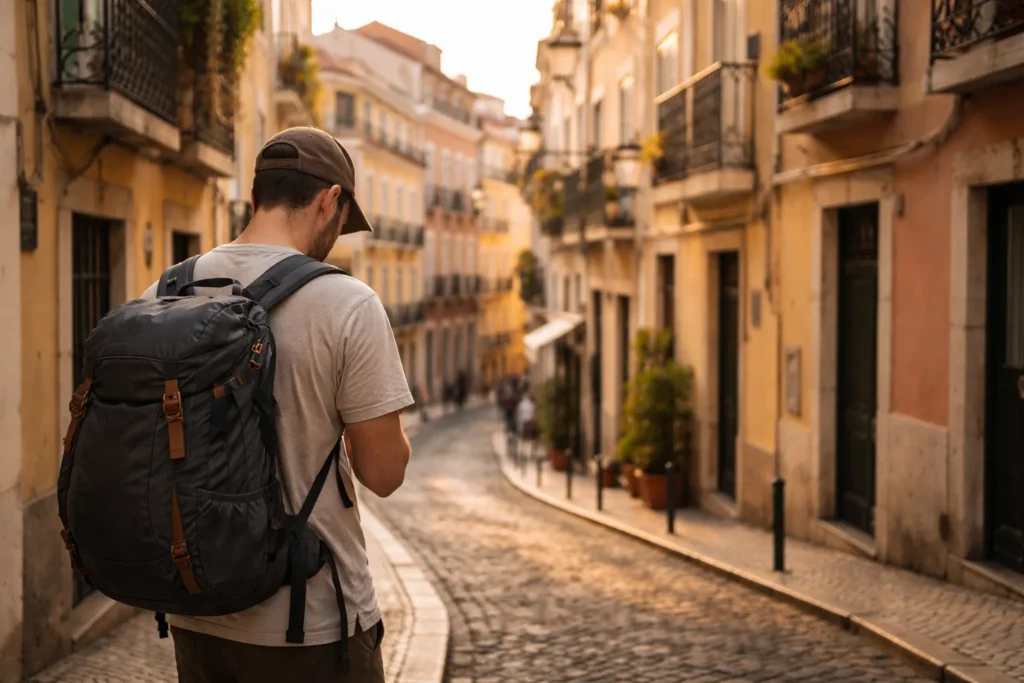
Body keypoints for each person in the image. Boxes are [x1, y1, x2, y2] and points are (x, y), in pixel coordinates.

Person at [143, 127, 413, 682]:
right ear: (330, 200)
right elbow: (383, 473)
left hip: (200, 613)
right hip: (312, 621)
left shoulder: (166, 291)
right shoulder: (348, 303)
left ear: (254, 198)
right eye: (341, 221)